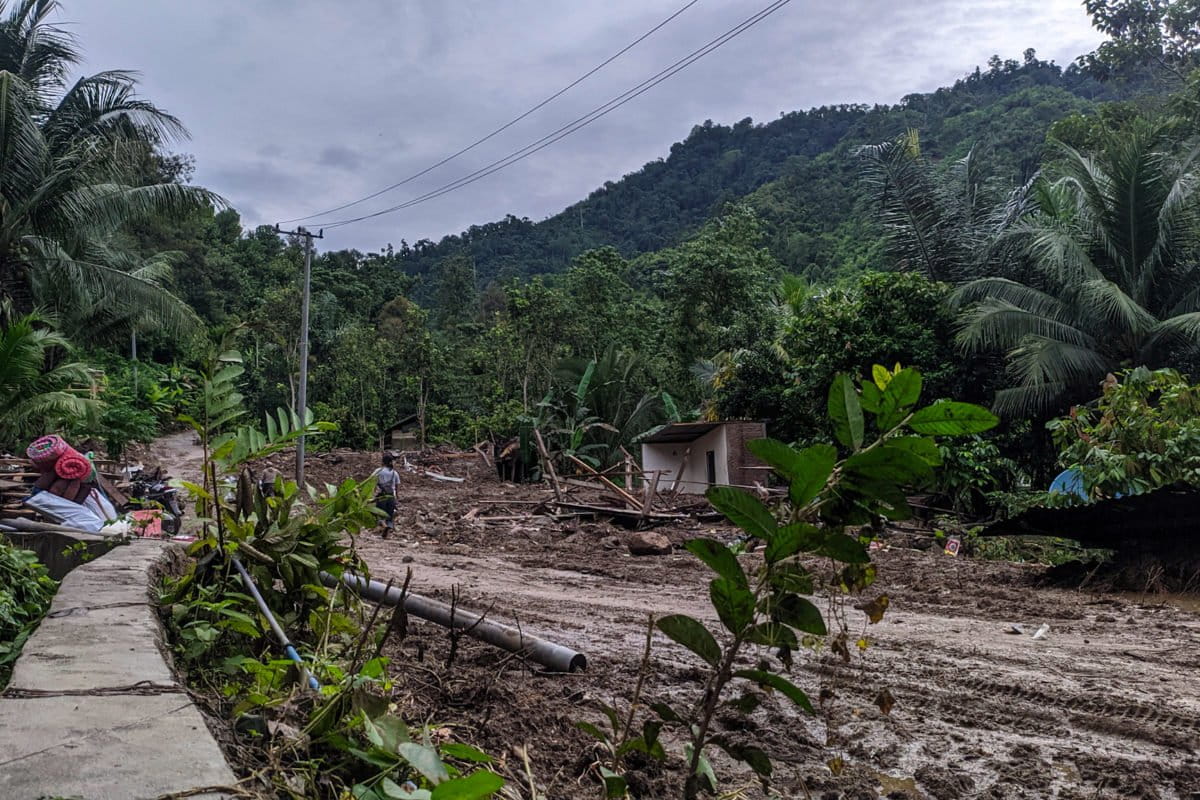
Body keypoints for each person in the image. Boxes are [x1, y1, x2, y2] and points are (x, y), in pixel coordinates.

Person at [375, 454, 400, 537]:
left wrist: (372, 494)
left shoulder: (378, 471)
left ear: (382, 462)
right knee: (390, 515)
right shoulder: (394, 473)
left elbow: (372, 482)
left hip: (382, 496)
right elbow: (397, 486)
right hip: (391, 496)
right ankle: (388, 528)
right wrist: (397, 497)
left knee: (380, 514)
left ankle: (383, 525)